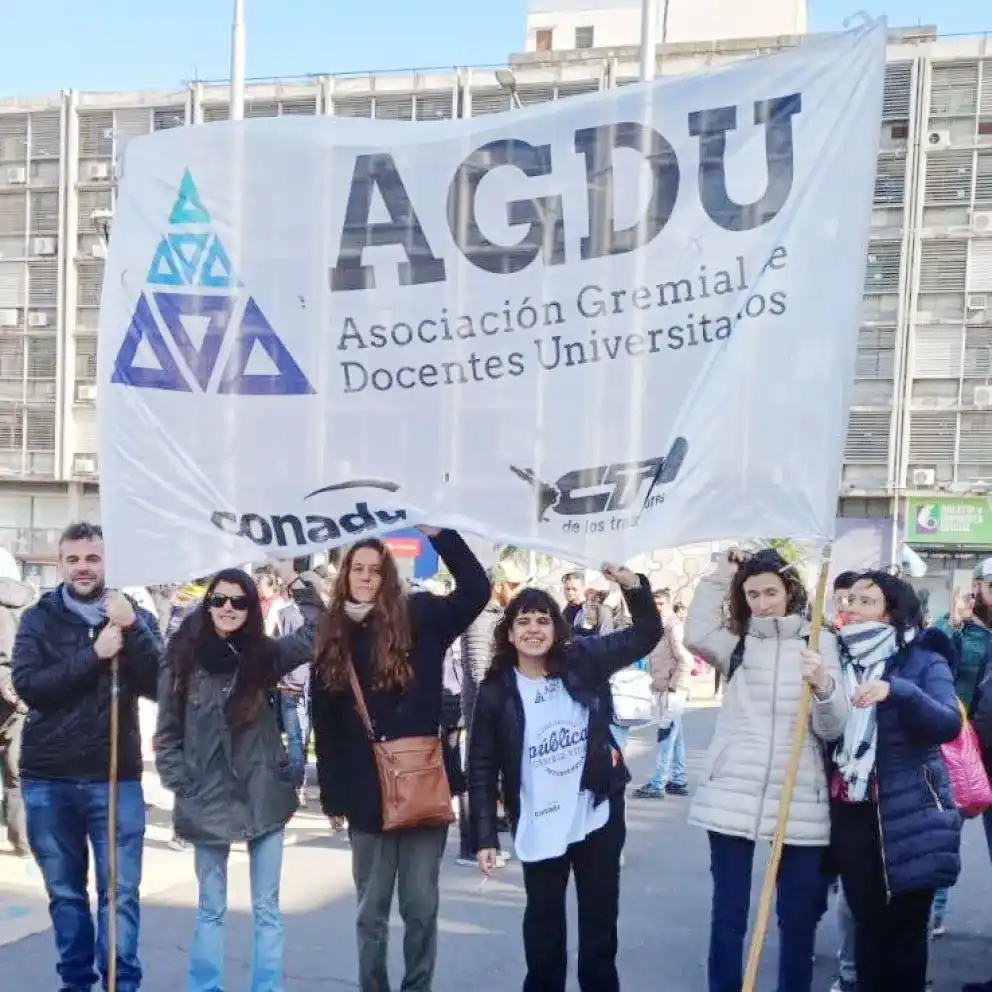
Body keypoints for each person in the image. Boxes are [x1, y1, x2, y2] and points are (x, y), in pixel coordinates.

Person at [301, 528, 488, 992]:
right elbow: (324, 725)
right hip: (365, 795)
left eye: (375, 570)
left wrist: (441, 535)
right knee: (371, 911)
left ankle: (417, 986)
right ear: (345, 575)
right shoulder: (332, 633)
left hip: (422, 783)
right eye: (357, 569)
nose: (365, 577)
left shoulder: (420, 616)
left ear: (387, 577)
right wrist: (332, 797)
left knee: (421, 906)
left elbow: (476, 591)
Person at [468, 565, 661, 992]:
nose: (533, 629)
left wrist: (631, 584)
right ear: (510, 633)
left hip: (595, 814)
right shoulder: (497, 689)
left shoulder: (584, 660)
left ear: (556, 628)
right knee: (543, 930)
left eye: (542, 620)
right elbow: (481, 767)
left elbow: (647, 633)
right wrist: (483, 837)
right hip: (538, 821)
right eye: (523, 621)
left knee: (598, 930)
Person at [685, 548, 848, 992]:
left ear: (790, 591)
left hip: (801, 791)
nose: (762, 602)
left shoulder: (822, 642)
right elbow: (696, 632)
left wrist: (824, 686)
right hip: (733, 788)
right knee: (729, 913)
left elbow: (833, 727)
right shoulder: (737, 642)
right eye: (752, 593)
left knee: (796, 918)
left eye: (770, 592)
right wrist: (722, 574)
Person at [155, 567, 321, 992]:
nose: (228, 608)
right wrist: (183, 784)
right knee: (210, 907)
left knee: (266, 907)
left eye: (239, 601)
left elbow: (319, 632)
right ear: (208, 604)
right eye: (219, 600)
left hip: (263, 791)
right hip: (206, 795)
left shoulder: (264, 657)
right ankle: (204, 987)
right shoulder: (180, 660)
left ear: (251, 608)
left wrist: (296, 578)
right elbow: (168, 733)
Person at [12, 522, 162, 992]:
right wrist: (93, 654)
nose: (82, 567)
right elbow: (30, 686)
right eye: (73, 559)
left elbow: (164, 685)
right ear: (60, 565)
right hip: (49, 780)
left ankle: (122, 983)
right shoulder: (38, 618)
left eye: (92, 558)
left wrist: (133, 629)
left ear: (107, 564)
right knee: (65, 896)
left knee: (120, 896)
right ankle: (75, 984)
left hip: (114, 778)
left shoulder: (132, 616)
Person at [828, 571, 962, 992]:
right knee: (867, 928)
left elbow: (946, 723)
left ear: (893, 611)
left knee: (905, 933)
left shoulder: (925, 659)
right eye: (849, 599)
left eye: (866, 601)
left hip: (912, 812)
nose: (851, 607)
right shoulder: (837, 657)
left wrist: (897, 690)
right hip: (854, 809)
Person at [456, 558, 524, 865]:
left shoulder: (494, 614)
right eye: (512, 585)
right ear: (498, 585)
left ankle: (484, 836)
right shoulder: (481, 616)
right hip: (481, 712)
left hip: (490, 710)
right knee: (477, 776)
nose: (516, 590)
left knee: (486, 774)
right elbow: (479, 668)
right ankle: (472, 846)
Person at [632, 587, 694, 800]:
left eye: (660, 604)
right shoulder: (659, 626)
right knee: (675, 736)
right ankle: (678, 779)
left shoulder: (672, 627)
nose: (656, 608)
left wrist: (673, 687)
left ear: (668, 603)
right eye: (654, 604)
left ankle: (658, 782)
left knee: (666, 735)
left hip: (672, 689)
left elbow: (685, 660)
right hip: (663, 687)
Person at [0, 564, 36, 856]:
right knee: (16, 773)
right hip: (17, 697)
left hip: (10, 692)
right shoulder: (28, 605)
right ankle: (21, 840)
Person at [562, 571, 613, 639]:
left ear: (583, 588)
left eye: (574, 589)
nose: (570, 593)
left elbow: (593, 631)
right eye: (567, 589)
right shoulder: (567, 610)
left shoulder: (594, 609)